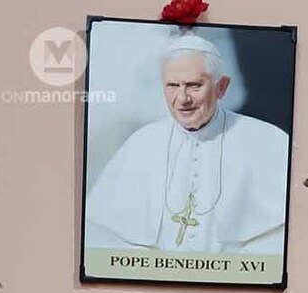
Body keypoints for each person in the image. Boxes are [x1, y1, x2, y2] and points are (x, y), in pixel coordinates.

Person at [85, 33, 289, 253]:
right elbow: (103, 237)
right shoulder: (140, 144)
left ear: (221, 87)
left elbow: (281, 238)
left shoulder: (266, 141)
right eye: (172, 85)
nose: (182, 99)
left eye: (193, 85)